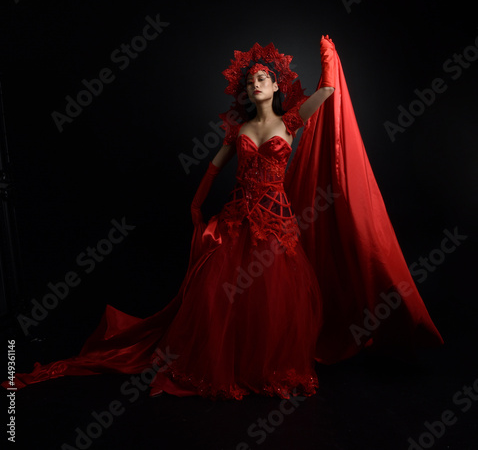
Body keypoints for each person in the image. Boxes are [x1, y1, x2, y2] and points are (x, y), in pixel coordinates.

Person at [3, 36, 443, 400]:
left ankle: (264, 368)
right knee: (224, 297)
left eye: (263, 78)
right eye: (251, 80)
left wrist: (329, 61)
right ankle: (224, 365)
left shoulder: (291, 122)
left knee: (274, 297)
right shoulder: (238, 130)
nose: (256, 84)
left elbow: (327, 95)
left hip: (275, 223)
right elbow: (213, 168)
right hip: (236, 220)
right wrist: (196, 208)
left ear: (276, 86)